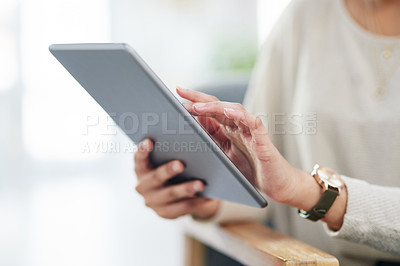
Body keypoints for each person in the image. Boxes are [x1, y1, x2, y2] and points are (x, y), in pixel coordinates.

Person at [134, 0, 400, 264]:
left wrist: (309, 192)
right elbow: (266, 180)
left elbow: (289, 185)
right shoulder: (305, 14)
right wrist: (205, 196)